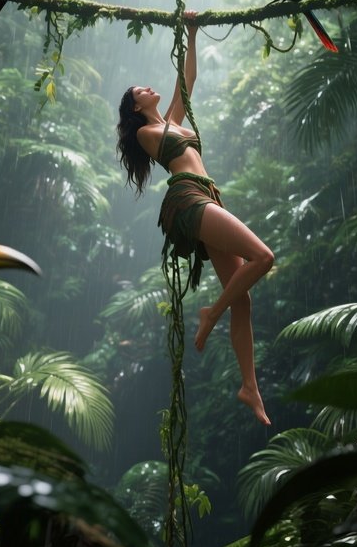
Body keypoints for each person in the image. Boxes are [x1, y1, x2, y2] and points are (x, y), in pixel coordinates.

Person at [116, 25, 274, 425]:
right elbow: (171, 112)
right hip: (187, 198)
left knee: (245, 297)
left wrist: (191, 33)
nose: (148, 88)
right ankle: (211, 313)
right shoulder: (149, 133)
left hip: (207, 196)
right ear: (136, 107)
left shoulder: (169, 119)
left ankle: (249, 387)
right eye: (141, 90)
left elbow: (188, 80)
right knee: (263, 257)